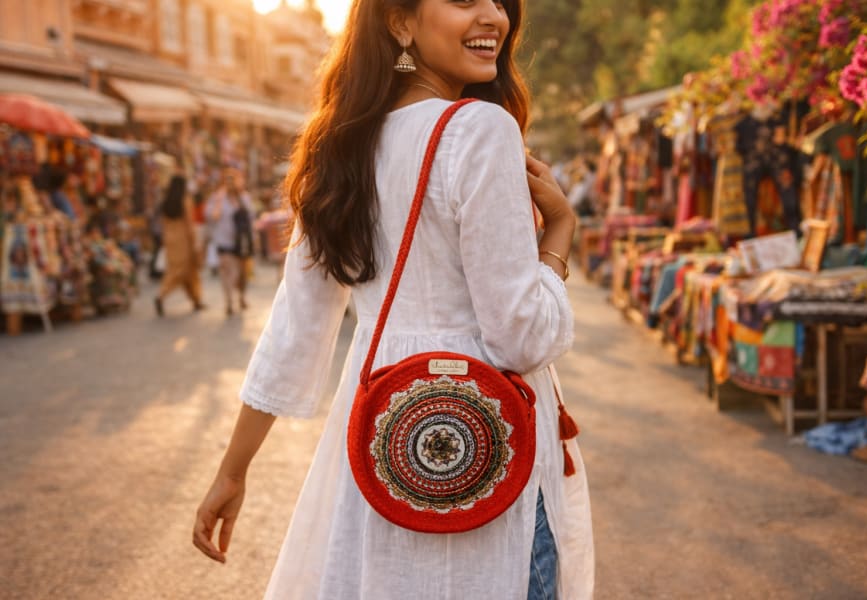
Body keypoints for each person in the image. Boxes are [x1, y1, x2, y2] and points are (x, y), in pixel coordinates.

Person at [192, 1, 594, 598]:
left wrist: (233, 470)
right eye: (464, 0)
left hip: (384, 445)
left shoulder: (338, 150)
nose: (494, 17)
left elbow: (295, 330)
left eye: (499, 1)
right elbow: (521, 337)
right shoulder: (481, 129)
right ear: (399, 22)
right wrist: (559, 231)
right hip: (488, 451)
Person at [205, 168, 254, 316]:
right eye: (227, 180)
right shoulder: (217, 198)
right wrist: (219, 201)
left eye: (233, 180)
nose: (230, 183)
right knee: (227, 271)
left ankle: (241, 297)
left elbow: (251, 218)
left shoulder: (244, 198)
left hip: (241, 242)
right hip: (223, 241)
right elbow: (211, 216)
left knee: (241, 273)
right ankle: (229, 301)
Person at [154, 174, 205, 316]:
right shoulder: (185, 201)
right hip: (183, 241)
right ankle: (161, 295)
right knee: (180, 271)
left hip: (170, 241)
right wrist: (194, 242)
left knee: (186, 272)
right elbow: (189, 224)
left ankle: (196, 300)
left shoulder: (166, 202)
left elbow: (163, 224)